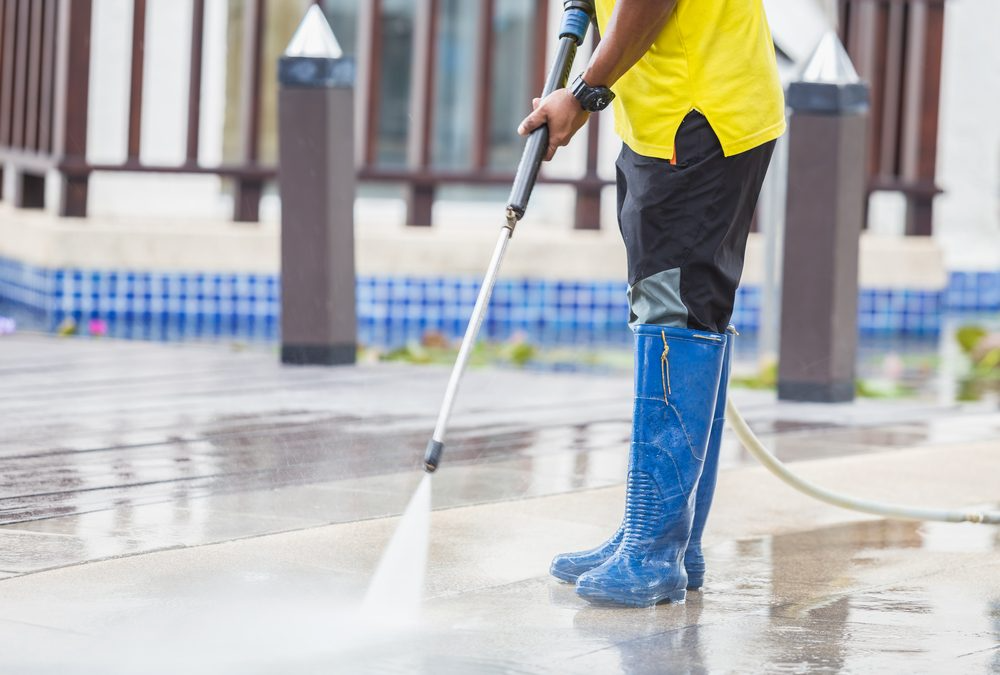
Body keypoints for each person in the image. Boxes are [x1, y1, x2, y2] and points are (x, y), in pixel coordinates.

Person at [517, 0, 785, 607]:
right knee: (677, 309)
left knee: (676, 313)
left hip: (697, 116)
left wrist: (584, 91)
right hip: (672, 115)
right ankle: (666, 538)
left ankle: (654, 549)